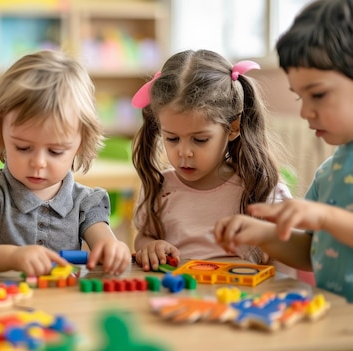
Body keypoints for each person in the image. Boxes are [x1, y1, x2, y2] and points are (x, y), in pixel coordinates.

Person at [214, 0, 353, 303]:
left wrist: (325, 217)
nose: (305, 112)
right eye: (299, 97)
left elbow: (327, 223)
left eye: (317, 94)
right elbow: (313, 253)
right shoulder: (331, 171)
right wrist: (263, 235)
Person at [0, 50, 132, 277]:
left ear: (80, 144)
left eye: (55, 151)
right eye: (23, 148)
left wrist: (114, 249)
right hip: (2, 305)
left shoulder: (86, 202)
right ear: (1, 134)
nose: (38, 163)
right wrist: (13, 257)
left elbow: (106, 243)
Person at [130, 49, 292, 272]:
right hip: (178, 297)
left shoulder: (263, 190)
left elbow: (287, 266)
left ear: (232, 128)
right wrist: (150, 246)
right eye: (172, 138)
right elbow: (144, 237)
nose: (184, 152)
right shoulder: (160, 187)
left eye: (200, 139)